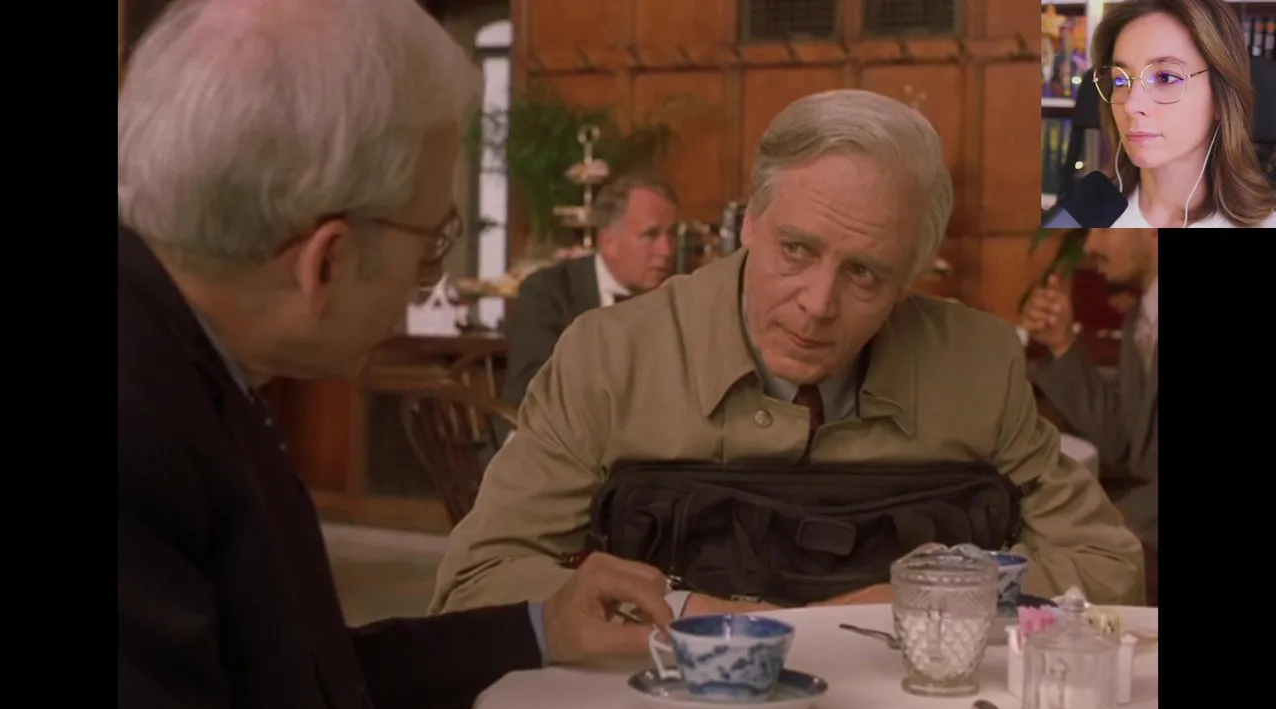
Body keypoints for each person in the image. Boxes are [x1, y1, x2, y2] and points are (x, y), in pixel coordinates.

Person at [117, 2, 672, 709]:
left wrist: (545, 626)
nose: (429, 279)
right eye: (432, 243)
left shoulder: (186, 356)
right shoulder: (138, 433)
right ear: (328, 261)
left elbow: (296, 674)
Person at [430, 89, 1145, 620]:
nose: (818, 304)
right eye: (796, 249)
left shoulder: (978, 362)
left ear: (910, 280)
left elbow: (1109, 564)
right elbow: (474, 580)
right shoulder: (609, 357)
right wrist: (687, 614)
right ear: (751, 220)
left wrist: (918, 597)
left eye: (864, 273)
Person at [1021, 229, 1158, 601]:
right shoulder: (1141, 318)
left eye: (1103, 227)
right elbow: (1123, 444)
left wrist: (1115, 523)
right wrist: (1063, 344)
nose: (1090, 245)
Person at [1091, 0, 1276, 228]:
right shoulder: (1081, 220)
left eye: (1165, 78)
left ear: (1221, 97)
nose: (1130, 105)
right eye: (1120, 80)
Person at [501, 174, 679, 411]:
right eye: (651, 235)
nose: (667, 250)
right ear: (609, 242)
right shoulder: (549, 291)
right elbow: (531, 387)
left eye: (672, 234)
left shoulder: (681, 295)